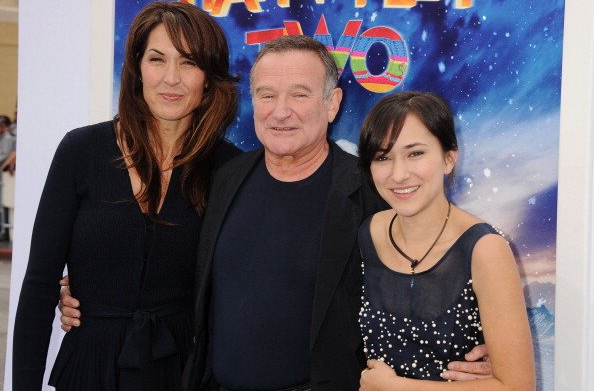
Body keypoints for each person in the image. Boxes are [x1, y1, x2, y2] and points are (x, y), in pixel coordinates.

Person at [60, 36, 493, 390]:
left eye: (299, 95)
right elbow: (171, 259)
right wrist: (88, 289)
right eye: (267, 95)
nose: (280, 111)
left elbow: (429, 271)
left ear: (332, 104)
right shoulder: (223, 176)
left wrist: (470, 350)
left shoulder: (370, 190)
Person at [13, 0, 239, 391]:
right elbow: (38, 283)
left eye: (188, 62)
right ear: (136, 70)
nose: (171, 78)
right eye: (157, 59)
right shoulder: (81, 150)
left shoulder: (230, 169)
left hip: (184, 373)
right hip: (89, 368)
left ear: (208, 78)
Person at [357, 91, 535, 390]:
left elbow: (518, 386)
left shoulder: (484, 249)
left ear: (449, 158)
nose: (399, 174)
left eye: (415, 153)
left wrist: (395, 387)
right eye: (383, 157)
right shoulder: (369, 233)